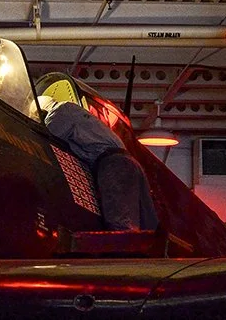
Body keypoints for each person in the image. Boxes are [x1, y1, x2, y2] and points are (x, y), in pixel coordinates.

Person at [42, 99, 159, 232]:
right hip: (128, 162)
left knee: (119, 223)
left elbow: (48, 135)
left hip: (113, 165)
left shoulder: (59, 111)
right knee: (146, 225)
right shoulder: (78, 113)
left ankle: (121, 251)